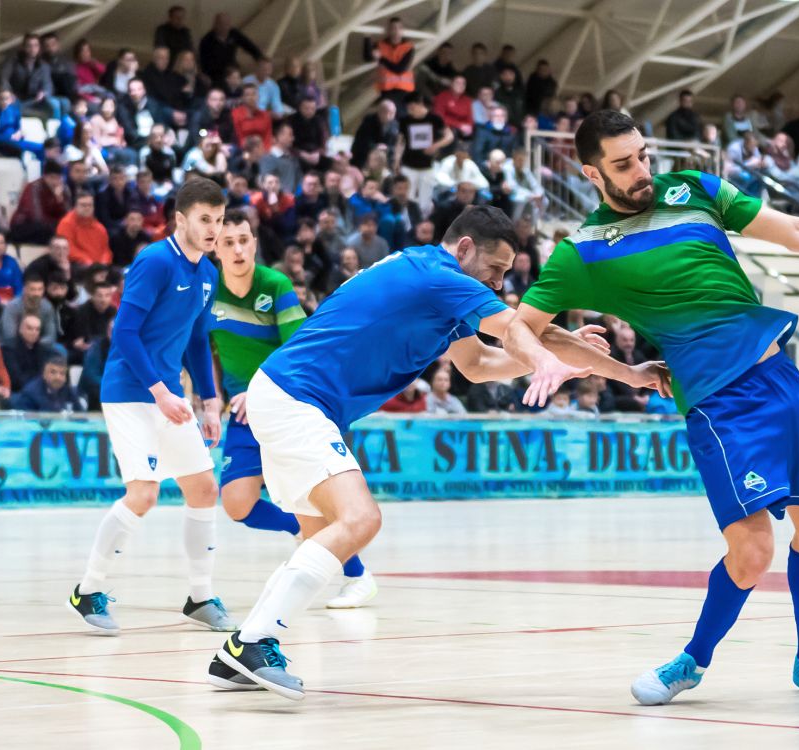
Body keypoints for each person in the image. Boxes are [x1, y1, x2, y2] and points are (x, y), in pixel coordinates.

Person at [503, 110, 799, 706]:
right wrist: (603, 368)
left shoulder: (694, 189)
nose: (642, 170)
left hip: (781, 379)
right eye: (623, 164)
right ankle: (692, 660)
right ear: (592, 174)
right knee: (752, 553)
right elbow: (520, 327)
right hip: (719, 403)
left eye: (643, 155)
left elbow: (795, 231)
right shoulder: (582, 252)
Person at [208, 205, 650, 700]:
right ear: (465, 248)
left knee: (319, 536)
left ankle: (235, 653)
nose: (499, 282)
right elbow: (522, 331)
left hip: (288, 395)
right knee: (360, 520)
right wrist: (581, 364)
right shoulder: (439, 277)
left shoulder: (436, 287)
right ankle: (252, 643)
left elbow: (479, 364)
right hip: (298, 397)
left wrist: (569, 360)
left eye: (506, 273)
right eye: (495, 268)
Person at [202, 212, 379, 687]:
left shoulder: (275, 286)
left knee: (326, 511)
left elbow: (300, 347)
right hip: (242, 411)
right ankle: (309, 539)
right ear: (216, 248)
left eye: (244, 240)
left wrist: (256, 387)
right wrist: (211, 398)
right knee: (237, 505)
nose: (238, 250)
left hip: (285, 402)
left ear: (255, 243)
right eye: (228, 242)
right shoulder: (208, 292)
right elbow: (205, 349)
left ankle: (356, 574)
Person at [67, 179, 230, 635]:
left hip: (169, 396)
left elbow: (197, 339)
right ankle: (88, 590)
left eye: (219, 220)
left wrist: (210, 401)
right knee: (144, 494)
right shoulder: (155, 261)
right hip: (130, 392)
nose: (213, 229)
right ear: (180, 219)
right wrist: (160, 391)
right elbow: (124, 333)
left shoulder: (208, 273)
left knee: (204, 489)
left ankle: (200, 597)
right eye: (204, 219)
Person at [11, 354, 85, 411]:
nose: (58, 377)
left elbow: (81, 416)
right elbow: (26, 422)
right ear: (44, 374)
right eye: (53, 372)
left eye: (62, 373)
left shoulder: (68, 390)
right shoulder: (31, 393)